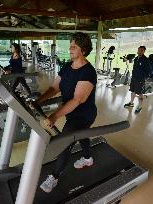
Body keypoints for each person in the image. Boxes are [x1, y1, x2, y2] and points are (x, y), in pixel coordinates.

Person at [37, 32, 97, 193]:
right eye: (70, 46)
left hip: (84, 114)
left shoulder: (88, 72)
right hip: (71, 112)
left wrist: (55, 116)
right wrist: (38, 101)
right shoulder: (66, 67)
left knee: (66, 139)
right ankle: (87, 158)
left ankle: (54, 177)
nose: (70, 49)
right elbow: (54, 88)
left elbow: (77, 100)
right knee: (81, 135)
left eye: (74, 46)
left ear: (83, 50)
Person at [124, 46, 151, 113]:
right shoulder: (136, 58)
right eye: (139, 50)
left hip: (140, 79)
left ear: (144, 51)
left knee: (139, 93)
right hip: (134, 77)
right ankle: (131, 103)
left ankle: (140, 106)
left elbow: (149, 70)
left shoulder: (145, 60)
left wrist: (144, 77)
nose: (139, 51)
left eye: (141, 50)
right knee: (132, 90)